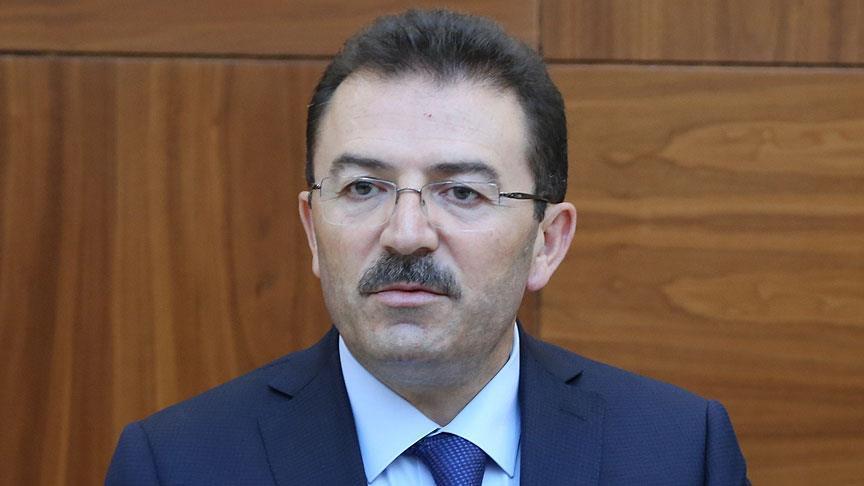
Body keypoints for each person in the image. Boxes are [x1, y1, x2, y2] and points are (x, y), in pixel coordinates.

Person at [106, 9, 748, 485]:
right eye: (363, 188)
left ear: (547, 243)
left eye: (462, 192)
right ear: (312, 228)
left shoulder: (678, 454)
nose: (407, 233)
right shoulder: (177, 465)